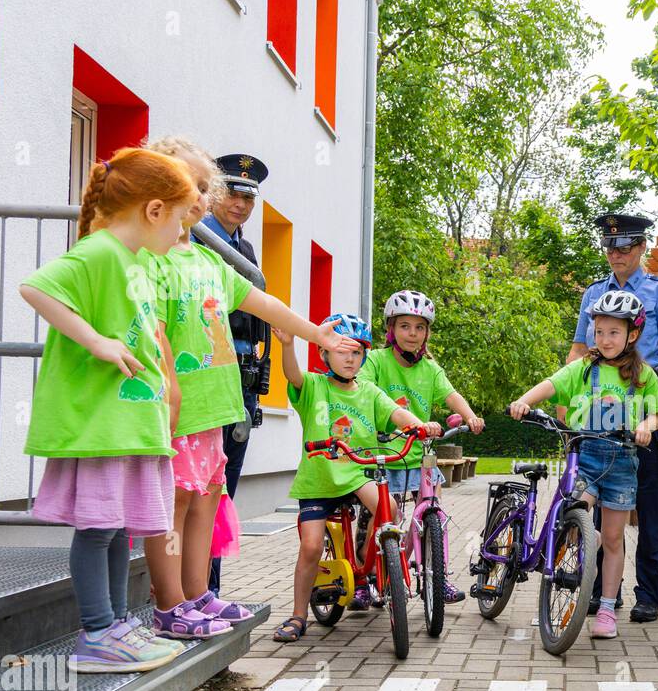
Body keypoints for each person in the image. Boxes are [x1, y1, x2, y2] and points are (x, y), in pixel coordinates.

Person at [143, 136, 361, 638]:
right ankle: (169, 603)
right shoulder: (152, 261)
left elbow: (264, 304)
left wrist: (315, 333)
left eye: (205, 187)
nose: (203, 197)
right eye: (193, 186)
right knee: (174, 508)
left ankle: (200, 595)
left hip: (217, 409)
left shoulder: (210, 261)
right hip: (180, 411)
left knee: (208, 502)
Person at [19, 148, 198, 672]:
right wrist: (95, 340)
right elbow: (35, 287)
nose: (183, 234)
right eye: (182, 219)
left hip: (126, 422)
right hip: (100, 423)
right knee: (99, 528)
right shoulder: (99, 253)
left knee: (119, 526)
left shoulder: (135, 260)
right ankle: (97, 634)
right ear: (154, 210)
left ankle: (117, 625)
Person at [271, 315, 438, 644]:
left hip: (355, 473)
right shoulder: (315, 387)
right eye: (342, 351)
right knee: (311, 546)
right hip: (319, 479)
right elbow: (292, 375)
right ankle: (298, 614)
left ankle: (364, 554)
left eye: (358, 353)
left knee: (388, 505)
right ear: (324, 354)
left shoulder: (369, 392)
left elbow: (395, 413)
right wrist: (288, 345)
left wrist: (419, 425)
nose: (350, 359)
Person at [512, 291, 658, 639]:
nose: (605, 339)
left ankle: (607, 609)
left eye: (614, 332)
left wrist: (646, 425)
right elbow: (551, 384)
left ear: (632, 334)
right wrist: (523, 401)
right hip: (586, 458)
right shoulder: (583, 368)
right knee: (573, 517)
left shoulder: (643, 375)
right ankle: (583, 539)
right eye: (599, 331)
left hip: (623, 463)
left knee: (613, 539)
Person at [568, 213, 658, 623]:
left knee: (651, 505)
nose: (615, 253)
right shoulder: (593, 295)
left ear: (641, 248)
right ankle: (601, 592)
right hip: (600, 409)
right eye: (609, 246)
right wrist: (569, 409)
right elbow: (580, 351)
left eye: (624, 246)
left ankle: (650, 594)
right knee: (596, 506)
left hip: (648, 402)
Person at [359, 289, 485, 604]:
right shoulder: (376, 359)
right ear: (391, 329)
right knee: (376, 521)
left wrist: (470, 416)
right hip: (383, 457)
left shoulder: (430, 368)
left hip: (419, 457)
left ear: (427, 332)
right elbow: (364, 390)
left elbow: (451, 395)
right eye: (404, 326)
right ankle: (366, 576)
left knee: (434, 517)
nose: (412, 334)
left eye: (419, 327)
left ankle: (435, 577)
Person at [199, 153, 269, 596]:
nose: (240, 204)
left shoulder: (244, 250)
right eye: (231, 193)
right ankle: (194, 590)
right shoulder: (199, 240)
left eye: (249, 197)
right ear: (211, 194)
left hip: (241, 380)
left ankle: (212, 589)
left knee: (225, 488)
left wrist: (259, 384)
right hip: (205, 377)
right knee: (200, 487)